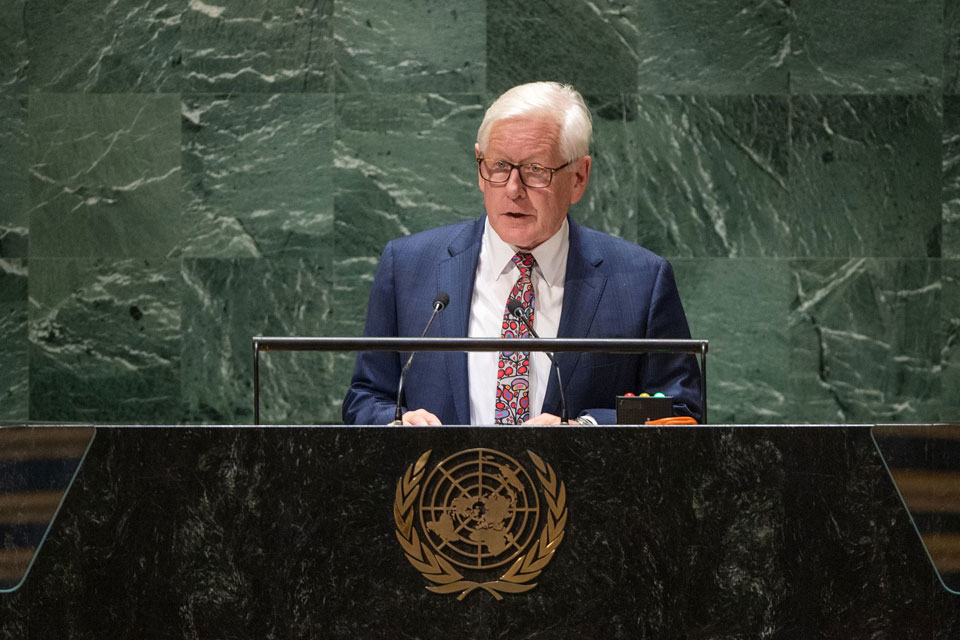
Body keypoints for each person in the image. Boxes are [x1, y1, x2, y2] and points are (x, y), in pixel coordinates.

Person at [342, 82, 701, 426]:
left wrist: (587, 428)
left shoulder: (641, 282)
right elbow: (366, 397)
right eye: (498, 166)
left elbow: (682, 411)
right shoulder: (407, 267)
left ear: (579, 176)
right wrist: (396, 422)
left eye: (535, 170)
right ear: (480, 168)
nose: (513, 189)